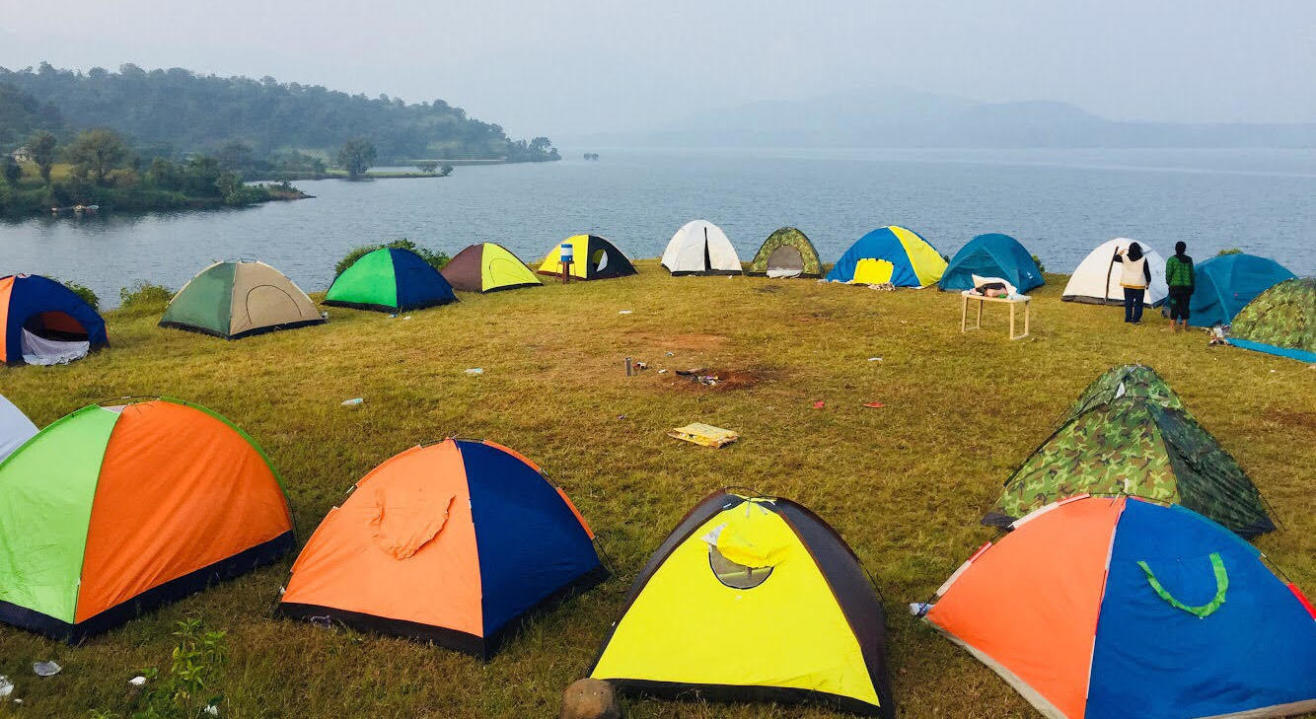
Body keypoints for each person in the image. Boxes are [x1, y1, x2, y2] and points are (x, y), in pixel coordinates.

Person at [1113, 242, 1151, 323]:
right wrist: (1148, 281)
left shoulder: (1124, 258)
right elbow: (1147, 272)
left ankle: (1128, 318)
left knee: (1128, 302)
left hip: (1127, 283)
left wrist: (1121, 252)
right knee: (1139, 303)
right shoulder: (1143, 259)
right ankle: (1136, 319)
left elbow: (1115, 258)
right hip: (1139, 284)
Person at [1164, 241, 1195, 331]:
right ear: (1185, 249)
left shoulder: (1171, 260)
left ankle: (1172, 327)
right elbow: (1192, 274)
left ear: (1175, 249)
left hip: (1175, 288)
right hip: (1187, 288)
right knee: (1185, 306)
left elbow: (1168, 274)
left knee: (1174, 306)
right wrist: (1192, 286)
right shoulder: (1189, 260)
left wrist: (1169, 282)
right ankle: (1184, 327)